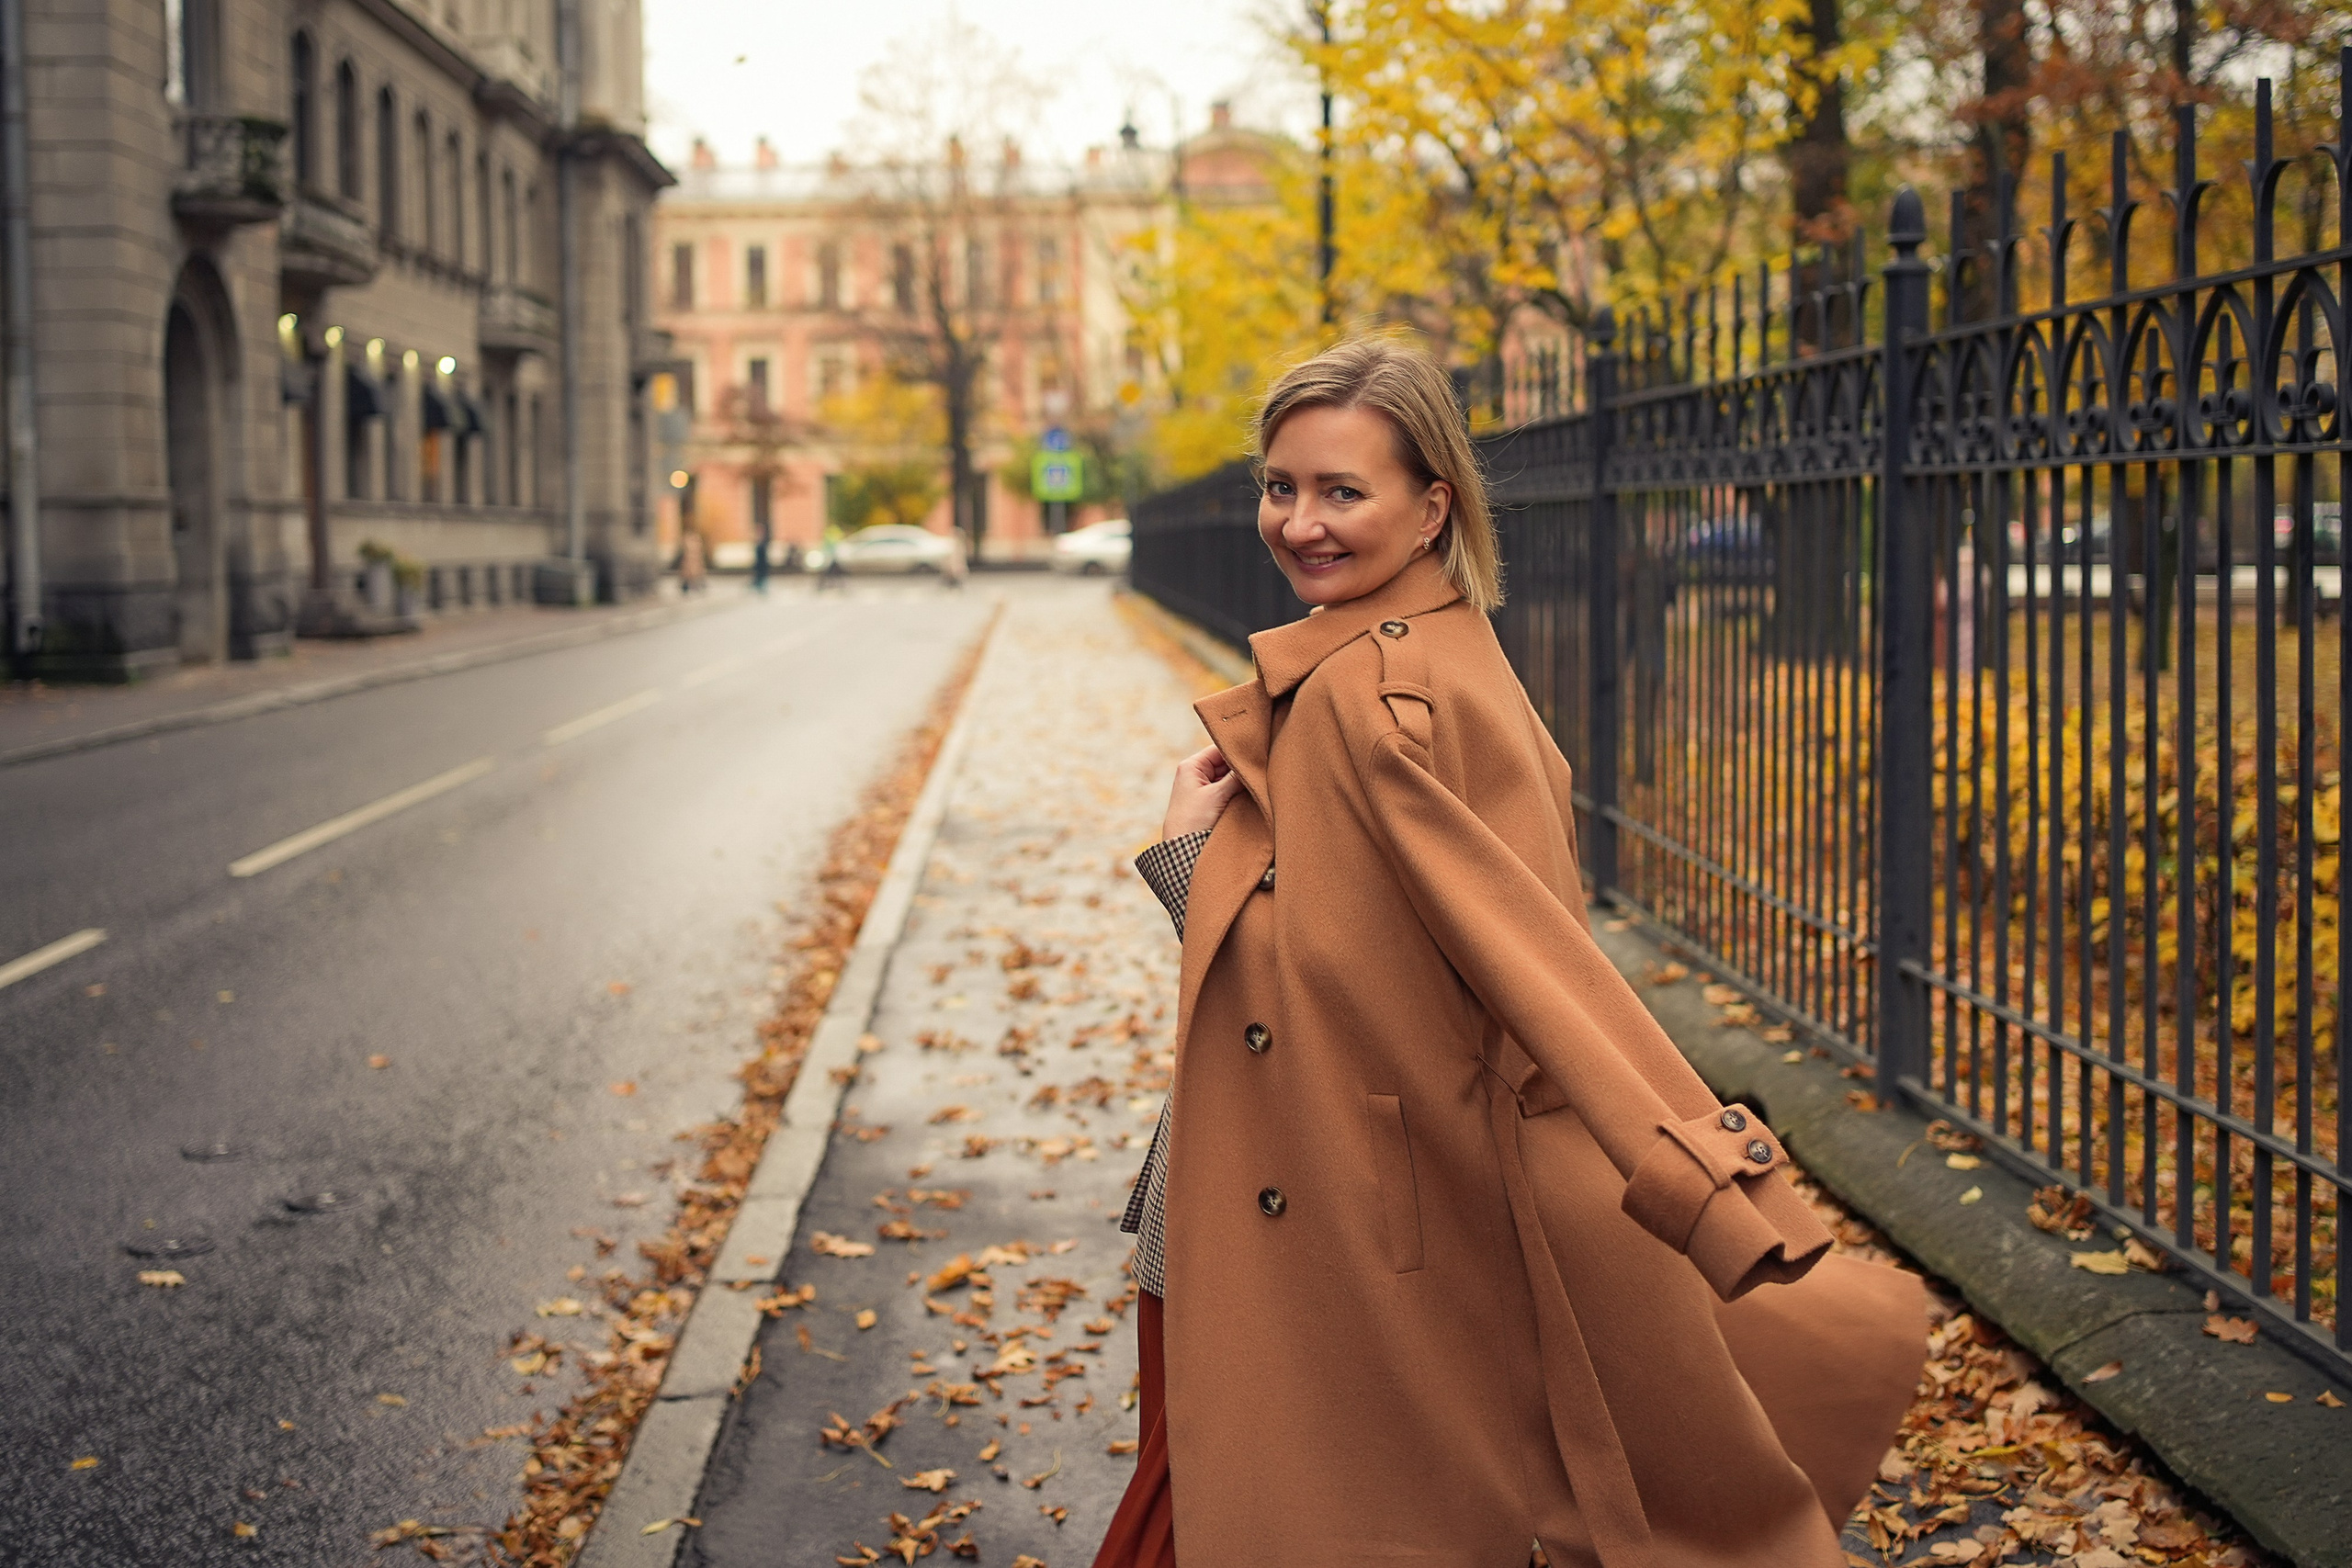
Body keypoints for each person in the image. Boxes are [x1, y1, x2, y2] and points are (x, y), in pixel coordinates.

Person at [1093, 337, 1925, 1568]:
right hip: (1343, 1188)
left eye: (1341, 491)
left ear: (1433, 507)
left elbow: (1444, 978)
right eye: (1281, 486)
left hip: (1320, 1213)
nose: (1299, 522)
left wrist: (1186, 861)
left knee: (1226, 1510)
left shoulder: (1371, 699)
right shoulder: (1438, 654)